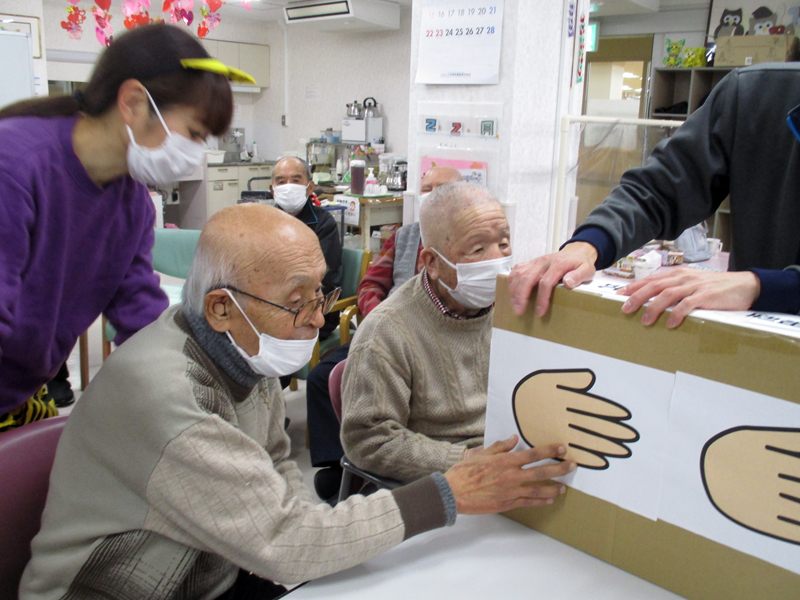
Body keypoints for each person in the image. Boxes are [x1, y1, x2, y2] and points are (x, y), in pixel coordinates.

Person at [20, 203, 574, 600]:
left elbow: (277, 468)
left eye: (320, 293)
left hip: (217, 568)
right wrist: (448, 492)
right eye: (297, 301)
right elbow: (284, 539)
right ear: (221, 307)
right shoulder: (173, 397)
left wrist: (312, 536)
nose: (317, 319)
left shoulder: (245, 348)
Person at [0, 24, 248, 433]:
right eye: (193, 134)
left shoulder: (131, 204)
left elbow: (139, 313)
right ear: (133, 102)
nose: (195, 153)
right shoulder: (14, 165)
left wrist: (192, 386)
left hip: (20, 394)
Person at [508, 64, 800, 329]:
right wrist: (588, 244)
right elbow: (660, 189)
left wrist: (765, 287)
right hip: (753, 342)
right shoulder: (755, 93)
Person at [308, 165, 463, 502]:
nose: (431, 195)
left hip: (434, 342)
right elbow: (370, 283)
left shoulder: (466, 246)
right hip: (386, 332)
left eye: (441, 188)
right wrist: (380, 319)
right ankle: (339, 463)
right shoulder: (404, 236)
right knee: (321, 376)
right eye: (426, 188)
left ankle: (387, 464)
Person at [341, 182, 512, 483]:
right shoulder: (386, 333)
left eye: (504, 243)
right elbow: (368, 441)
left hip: (509, 457)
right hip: (445, 479)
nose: (497, 260)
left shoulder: (513, 310)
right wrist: (465, 461)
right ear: (432, 263)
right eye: (478, 249)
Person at [270, 156, 343, 341]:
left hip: (314, 307)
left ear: (309, 187)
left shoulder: (324, 224)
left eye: (295, 180)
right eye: (281, 182)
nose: (288, 186)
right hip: (272, 305)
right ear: (272, 190)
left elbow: (320, 276)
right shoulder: (264, 222)